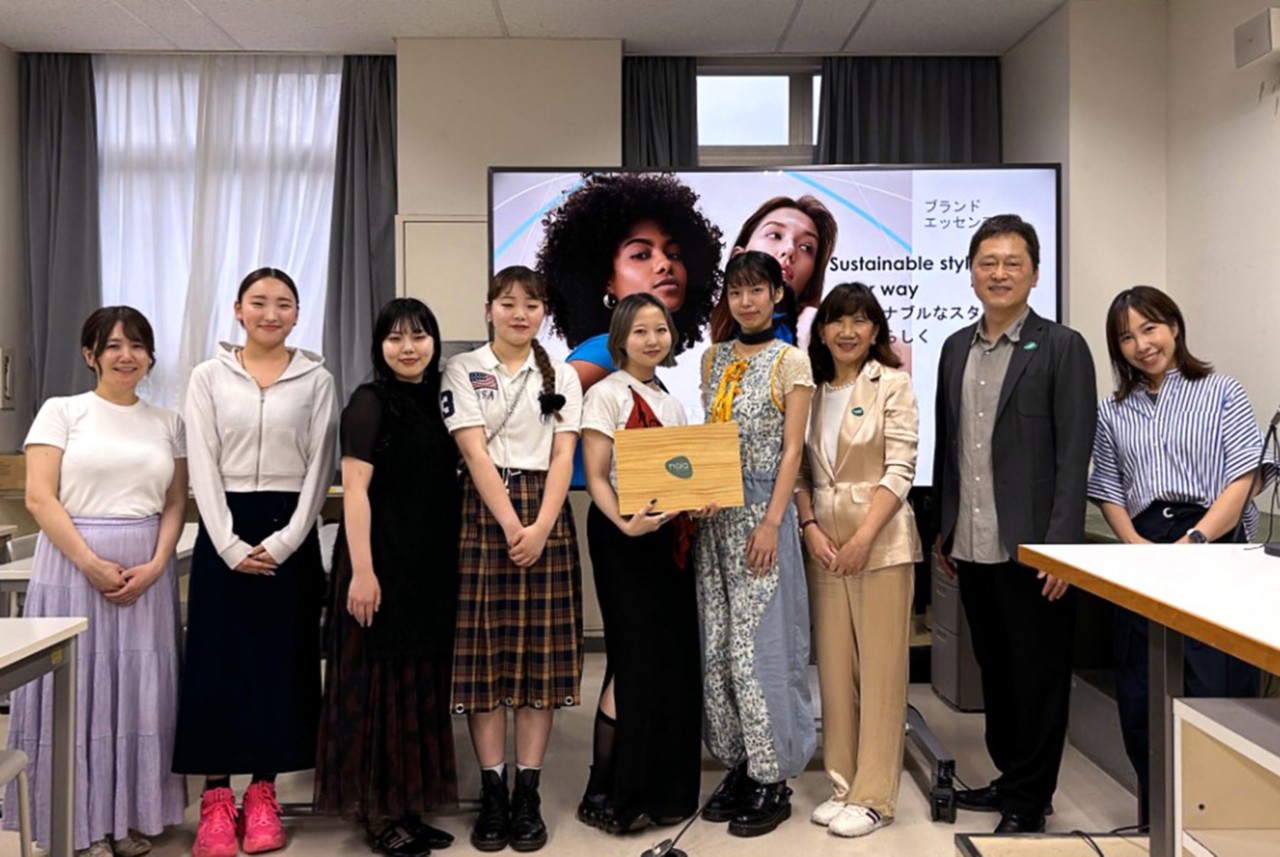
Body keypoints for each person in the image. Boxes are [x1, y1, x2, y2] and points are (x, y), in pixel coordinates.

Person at [933, 214, 1096, 834]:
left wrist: (1060, 551)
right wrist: (943, 526)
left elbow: (1073, 454)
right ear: (971, 271)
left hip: (1034, 549)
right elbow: (952, 447)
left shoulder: (1061, 347)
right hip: (971, 544)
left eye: (1012, 263)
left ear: (1033, 273)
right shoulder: (954, 348)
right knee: (996, 672)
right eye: (987, 262)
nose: (999, 273)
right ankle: (1010, 778)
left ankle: (1031, 800)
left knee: (1039, 674)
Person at [1088, 285, 1272, 825]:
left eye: (1150, 328)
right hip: (1145, 547)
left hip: (1214, 542)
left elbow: (1245, 477)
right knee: (1142, 688)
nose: (1142, 344)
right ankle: (1161, 816)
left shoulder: (1221, 391)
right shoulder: (1113, 409)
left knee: (1214, 684)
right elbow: (1107, 487)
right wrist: (1137, 546)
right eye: (1127, 336)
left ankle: (1220, 818)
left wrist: (1194, 542)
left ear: (1174, 326)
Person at [6, 307, 186, 857]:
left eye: (137, 345)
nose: (126, 355)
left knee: (137, 696)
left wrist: (159, 565)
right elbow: (40, 497)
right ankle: (74, 825)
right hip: (72, 564)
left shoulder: (167, 420)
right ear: (90, 355)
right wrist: (88, 561)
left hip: (145, 568)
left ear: (151, 355)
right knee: (78, 694)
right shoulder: (62, 412)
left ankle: (127, 819)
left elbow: (176, 501)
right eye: (112, 346)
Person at [174, 267, 338, 857]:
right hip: (226, 531)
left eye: (284, 304)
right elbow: (202, 462)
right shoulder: (207, 376)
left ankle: (264, 791)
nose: (271, 313)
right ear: (238, 310)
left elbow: (321, 466)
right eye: (259, 302)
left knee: (281, 664)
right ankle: (217, 799)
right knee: (218, 665)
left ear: (297, 313)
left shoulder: (316, 379)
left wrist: (291, 540)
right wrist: (227, 542)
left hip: (290, 529)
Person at [440, 265, 583, 853]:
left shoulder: (565, 374)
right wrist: (511, 525)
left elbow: (563, 454)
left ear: (543, 311)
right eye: (508, 302)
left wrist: (542, 525)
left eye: (531, 304)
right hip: (483, 513)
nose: (519, 313)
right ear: (489, 307)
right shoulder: (463, 368)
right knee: (485, 659)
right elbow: (473, 455)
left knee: (538, 661)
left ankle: (529, 790)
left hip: (545, 515)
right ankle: (492, 791)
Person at [314, 298, 461, 856]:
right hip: (377, 564)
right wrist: (363, 572)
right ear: (379, 346)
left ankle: (409, 805)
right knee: (376, 689)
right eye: (396, 338)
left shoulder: (440, 401)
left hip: (428, 566)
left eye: (420, 336)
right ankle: (378, 814)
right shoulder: (368, 402)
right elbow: (354, 491)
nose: (409, 348)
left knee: (417, 685)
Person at [794, 283, 922, 838]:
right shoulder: (812, 389)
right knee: (835, 666)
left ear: (875, 330)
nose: (848, 331)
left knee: (881, 669)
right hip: (823, 541)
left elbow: (901, 467)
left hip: (881, 541)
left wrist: (865, 535)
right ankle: (842, 782)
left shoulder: (892, 383)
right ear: (821, 330)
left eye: (860, 321)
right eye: (837, 321)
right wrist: (809, 528)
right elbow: (796, 470)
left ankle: (875, 795)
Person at [696, 250, 816, 838]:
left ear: (776, 293)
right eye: (736, 291)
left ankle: (775, 777)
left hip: (762, 517)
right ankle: (741, 764)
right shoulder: (712, 358)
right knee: (718, 646)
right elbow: (709, 440)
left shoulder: (791, 361)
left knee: (761, 649)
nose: (746, 301)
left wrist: (772, 522)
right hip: (713, 519)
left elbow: (794, 451)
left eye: (757, 290)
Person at [576, 294, 707, 834]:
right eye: (640, 331)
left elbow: (678, 475)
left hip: (668, 541)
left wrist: (699, 496)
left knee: (666, 662)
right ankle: (607, 789)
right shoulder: (606, 394)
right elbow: (598, 474)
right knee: (631, 662)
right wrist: (625, 524)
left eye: (661, 329)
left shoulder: (668, 398)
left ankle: (661, 789)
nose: (652, 340)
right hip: (623, 536)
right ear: (620, 338)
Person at [537, 171, 724, 394]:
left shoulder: (630, 363)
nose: (664, 264)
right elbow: (539, 411)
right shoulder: (606, 352)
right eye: (641, 255)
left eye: (674, 254)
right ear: (606, 280)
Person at [710, 195, 838, 350]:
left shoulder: (815, 334)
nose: (790, 249)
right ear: (738, 257)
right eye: (775, 235)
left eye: (806, 247)